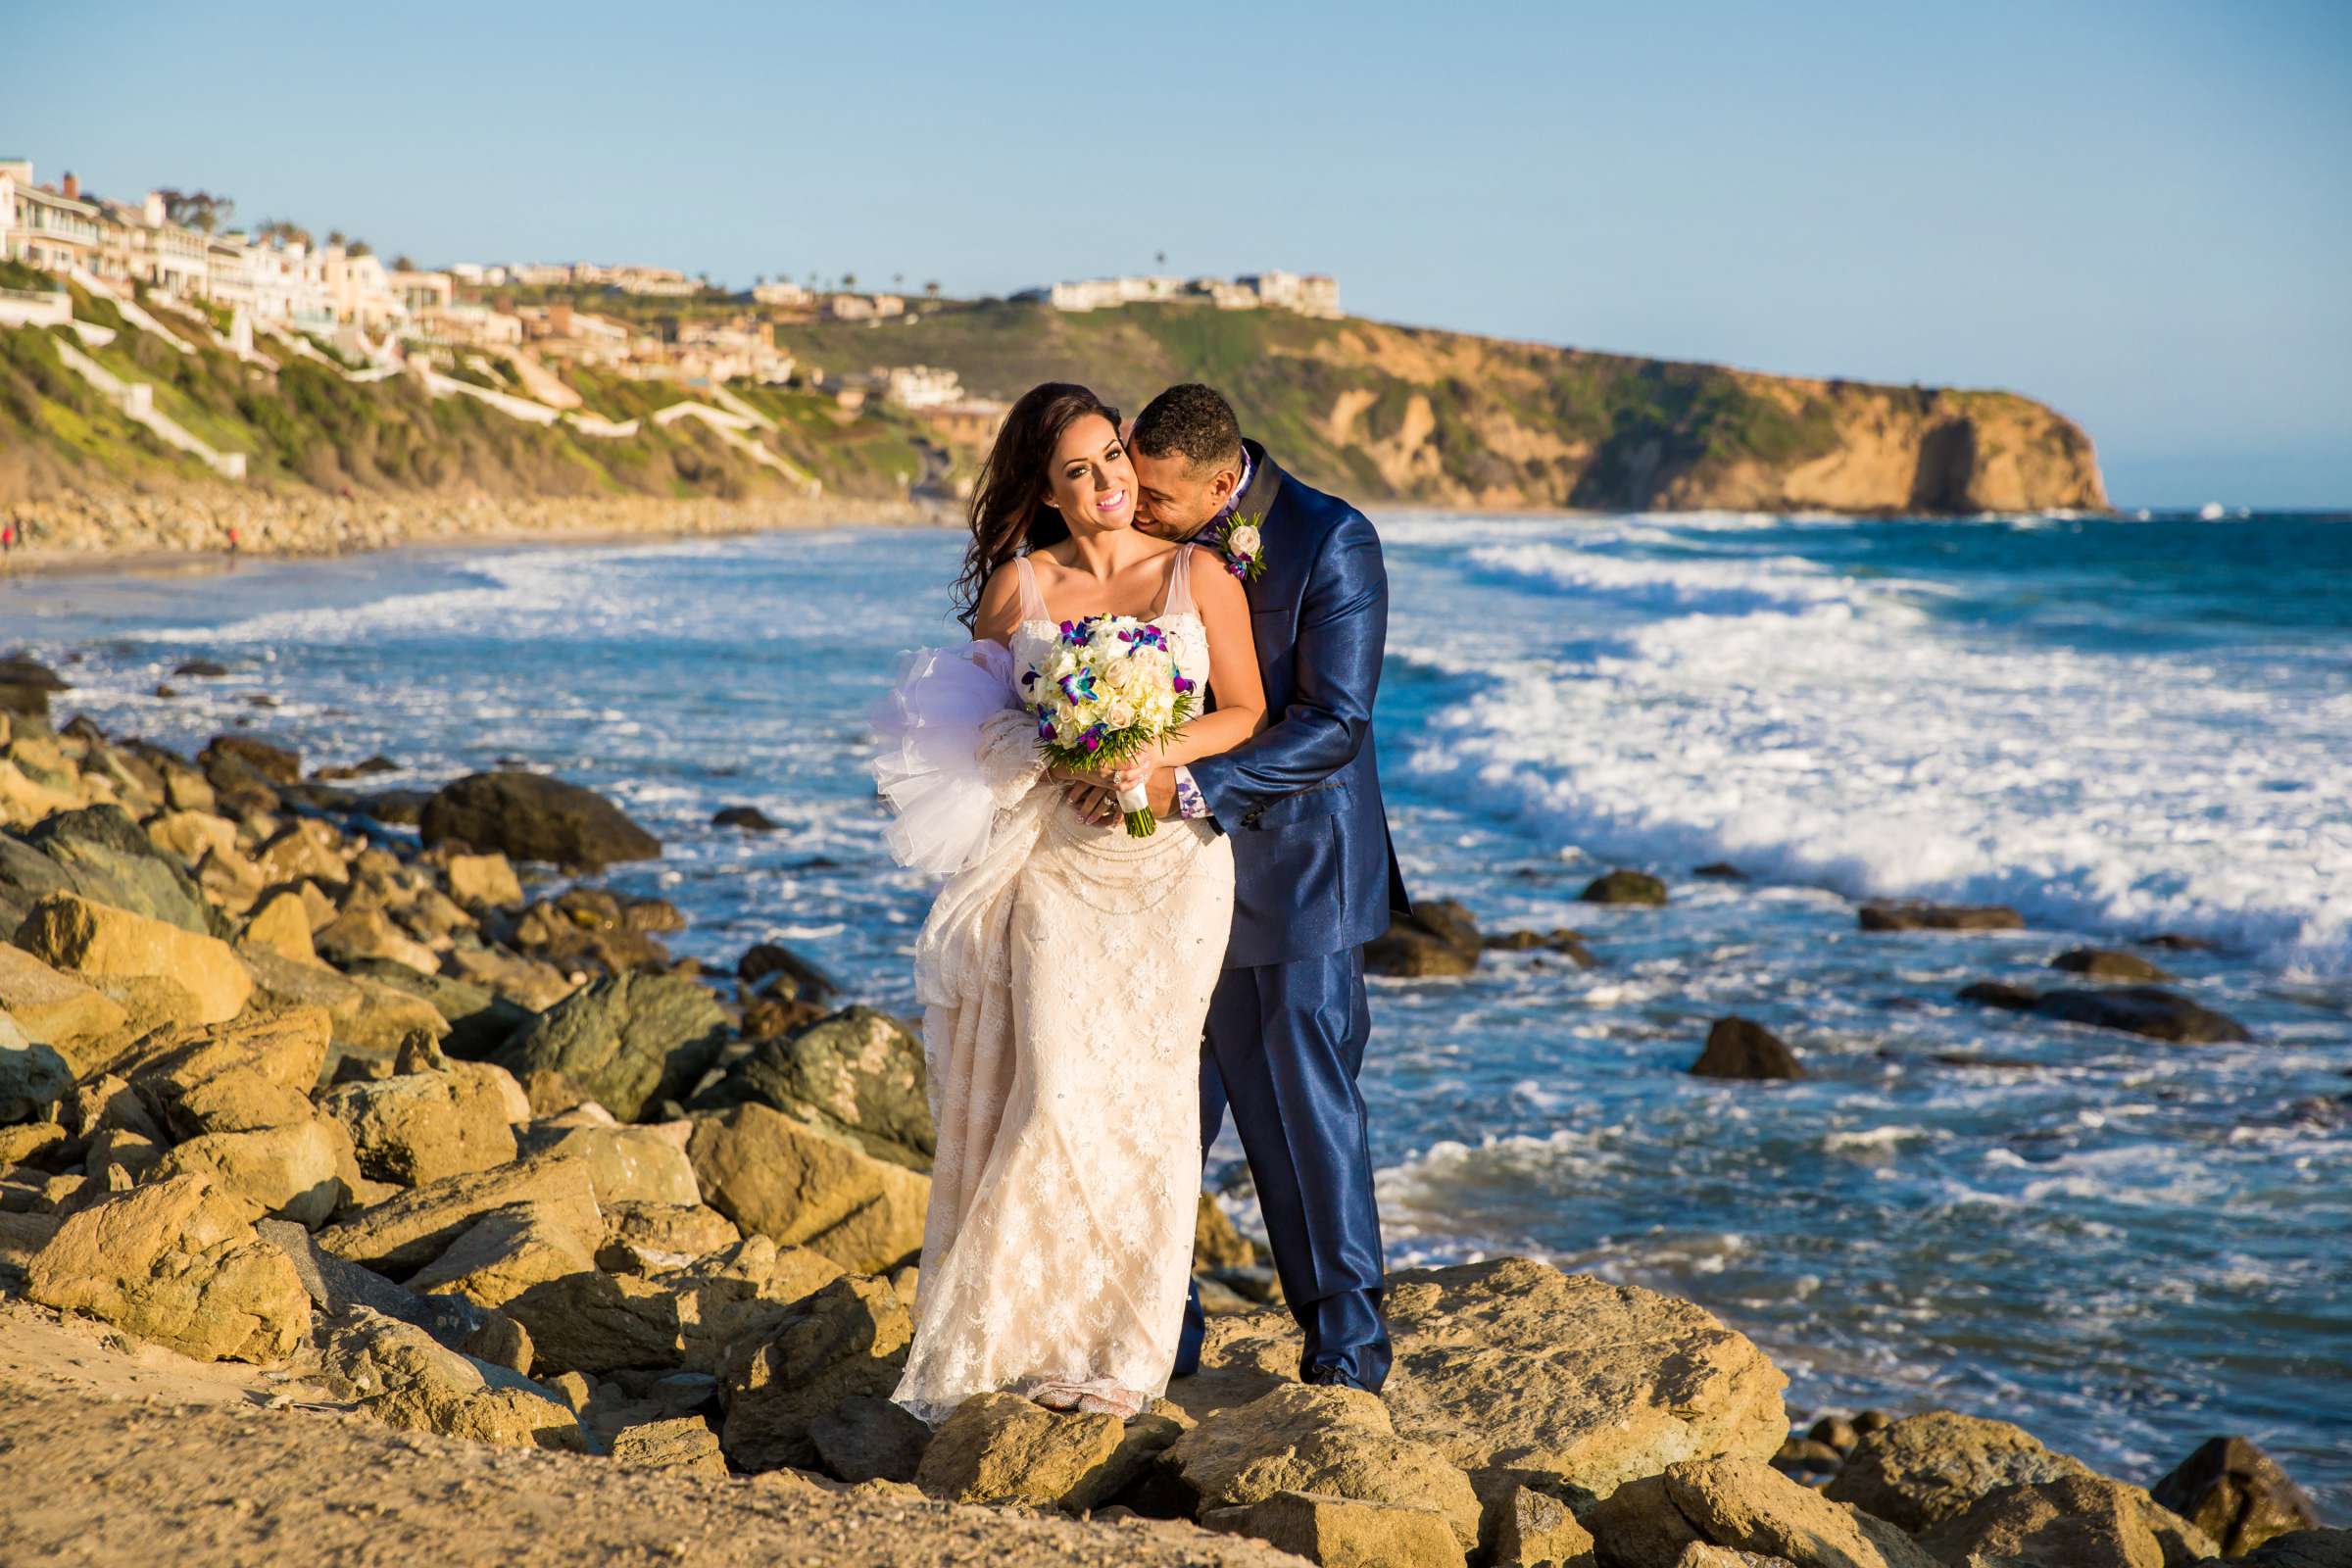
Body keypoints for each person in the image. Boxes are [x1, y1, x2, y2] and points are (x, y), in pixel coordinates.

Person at [874, 382, 1268, 1421]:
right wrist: (1057, 745)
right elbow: (969, 729)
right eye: (1078, 472)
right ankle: (1021, 1336)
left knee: (1151, 1106)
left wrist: (1150, 753)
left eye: (1114, 459)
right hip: (1055, 868)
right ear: (1046, 494)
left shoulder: (1199, 572)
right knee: (1052, 1091)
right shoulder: (1020, 589)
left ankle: (1125, 1356)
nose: (1106, 485)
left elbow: (1246, 709)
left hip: (1173, 870)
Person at [1078, 382, 1412, 1394]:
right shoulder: (1139, 533)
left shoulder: (1331, 540)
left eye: (1160, 500)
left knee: (1305, 1106)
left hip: (1298, 868)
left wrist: (1192, 782)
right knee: (1158, 1102)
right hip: (1164, 870)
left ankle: (1347, 1346)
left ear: (1224, 483)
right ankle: (1155, 1329)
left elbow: (1336, 720)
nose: (1136, 508)